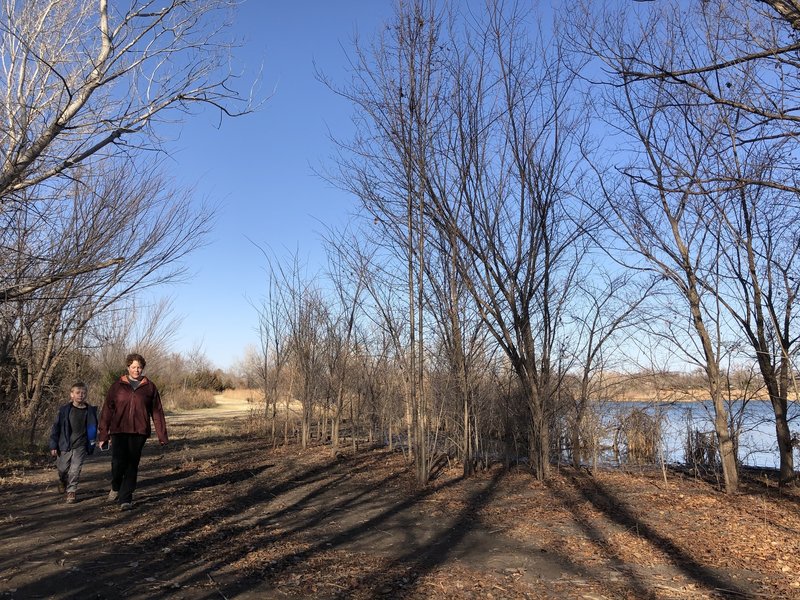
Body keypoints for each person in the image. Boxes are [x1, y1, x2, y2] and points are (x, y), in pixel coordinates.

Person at [98, 353, 168, 511]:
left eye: (139, 367)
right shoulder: (117, 386)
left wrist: (162, 435)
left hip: (139, 431)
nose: (137, 370)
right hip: (119, 430)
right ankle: (116, 486)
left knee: (132, 464)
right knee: (117, 463)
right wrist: (103, 434)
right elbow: (107, 411)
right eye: (134, 367)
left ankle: (126, 498)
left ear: (143, 368)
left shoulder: (150, 387)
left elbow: (157, 412)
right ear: (128, 367)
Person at [48, 381, 98, 504]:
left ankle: (71, 491)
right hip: (64, 444)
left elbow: (94, 427)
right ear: (71, 394)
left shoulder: (90, 410)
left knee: (75, 469)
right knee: (63, 468)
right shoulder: (64, 410)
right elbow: (56, 428)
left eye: (83, 393)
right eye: (77, 392)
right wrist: (53, 444)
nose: (80, 395)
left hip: (80, 444)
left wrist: (95, 440)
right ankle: (62, 480)